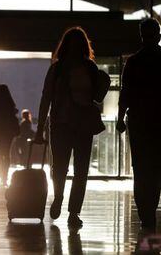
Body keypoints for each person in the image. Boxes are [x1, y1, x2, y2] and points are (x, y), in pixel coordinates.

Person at [34, 27, 105, 227]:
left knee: (60, 168)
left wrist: (40, 128)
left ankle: (59, 199)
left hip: (61, 124)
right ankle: (73, 212)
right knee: (80, 171)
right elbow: (98, 97)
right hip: (82, 125)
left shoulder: (57, 68)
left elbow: (46, 98)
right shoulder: (89, 67)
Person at [116, 18, 161, 229]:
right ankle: (149, 207)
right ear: (158, 36)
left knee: (142, 168)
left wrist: (120, 117)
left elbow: (125, 93)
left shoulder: (134, 62)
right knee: (158, 166)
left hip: (139, 123)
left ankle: (146, 210)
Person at [0, 84, 20, 186]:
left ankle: (1, 173)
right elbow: (13, 116)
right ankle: (5, 174)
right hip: (8, 132)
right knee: (6, 153)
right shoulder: (10, 103)